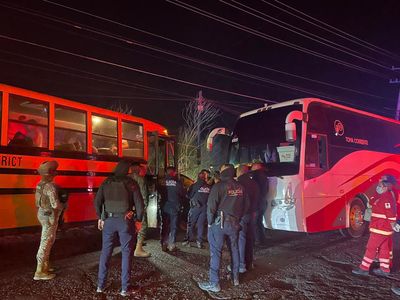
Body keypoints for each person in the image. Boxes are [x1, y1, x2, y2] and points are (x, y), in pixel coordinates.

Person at [94, 160, 144, 297]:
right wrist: (139, 220)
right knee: (126, 253)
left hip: (108, 221)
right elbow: (139, 203)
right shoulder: (131, 183)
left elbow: (97, 201)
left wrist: (100, 217)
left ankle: (100, 285)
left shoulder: (106, 182)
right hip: (125, 221)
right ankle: (124, 288)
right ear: (127, 170)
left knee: (105, 252)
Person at [198, 164, 247, 293]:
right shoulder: (241, 187)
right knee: (234, 249)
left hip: (219, 223)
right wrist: (238, 218)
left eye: (221, 170)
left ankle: (214, 283)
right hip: (234, 223)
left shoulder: (218, 186)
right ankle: (235, 278)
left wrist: (209, 223)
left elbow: (211, 207)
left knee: (216, 252)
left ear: (224, 172)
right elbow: (246, 205)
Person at [352, 175, 398, 277]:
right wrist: (377, 193)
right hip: (382, 229)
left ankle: (364, 269)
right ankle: (385, 269)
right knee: (384, 248)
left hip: (380, 228)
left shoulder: (387, 197)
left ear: (386, 185)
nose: (379, 185)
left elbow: (391, 215)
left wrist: (393, 225)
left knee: (371, 248)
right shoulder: (382, 195)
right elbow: (372, 202)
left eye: (381, 184)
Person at [34, 160, 63, 280]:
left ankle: (46, 266)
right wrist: (63, 205)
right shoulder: (50, 187)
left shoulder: (40, 184)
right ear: (50, 174)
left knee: (48, 240)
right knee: (46, 242)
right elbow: (55, 205)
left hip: (41, 213)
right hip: (49, 216)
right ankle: (39, 271)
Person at [235, 164, 260, 273]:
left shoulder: (237, 184)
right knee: (250, 238)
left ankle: (241, 265)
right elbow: (257, 198)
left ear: (239, 172)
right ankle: (250, 262)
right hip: (252, 214)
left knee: (241, 238)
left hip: (242, 215)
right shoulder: (254, 183)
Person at [182, 169, 211, 249]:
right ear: (205, 178)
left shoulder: (194, 186)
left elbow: (188, 196)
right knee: (200, 225)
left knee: (191, 224)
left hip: (195, 207)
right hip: (204, 208)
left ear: (198, 177)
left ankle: (188, 240)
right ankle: (199, 242)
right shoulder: (209, 187)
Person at [159, 166, 185, 252]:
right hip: (174, 206)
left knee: (165, 225)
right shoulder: (177, 183)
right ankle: (171, 245)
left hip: (164, 206)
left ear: (166, 172)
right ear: (173, 172)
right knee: (173, 226)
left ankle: (163, 243)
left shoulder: (162, 182)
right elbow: (182, 194)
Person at [129, 162, 151, 258]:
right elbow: (143, 196)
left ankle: (130, 247)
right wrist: (144, 209)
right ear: (138, 169)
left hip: (127, 208)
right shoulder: (140, 179)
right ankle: (138, 249)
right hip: (138, 207)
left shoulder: (126, 178)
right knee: (142, 226)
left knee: (129, 227)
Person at [250, 162, 269, 245]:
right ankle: (262, 239)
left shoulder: (256, 177)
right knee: (259, 221)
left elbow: (254, 190)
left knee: (255, 223)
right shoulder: (265, 177)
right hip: (263, 202)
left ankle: (257, 240)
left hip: (257, 203)